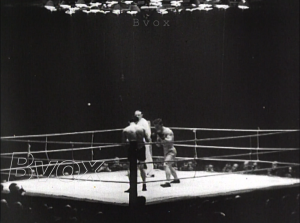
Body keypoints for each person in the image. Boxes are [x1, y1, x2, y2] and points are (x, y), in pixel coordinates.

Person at [122, 116, 150, 192]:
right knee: (142, 166)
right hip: (141, 147)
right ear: (137, 122)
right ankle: (144, 185)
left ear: (129, 122)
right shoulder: (142, 128)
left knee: (130, 168)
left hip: (132, 148)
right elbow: (147, 139)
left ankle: (132, 186)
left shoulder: (125, 130)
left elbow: (124, 143)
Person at [152, 118, 180, 187]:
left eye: (157, 126)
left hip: (171, 151)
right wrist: (155, 140)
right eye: (155, 127)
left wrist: (162, 138)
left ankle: (167, 182)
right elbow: (158, 145)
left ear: (161, 125)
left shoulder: (168, 131)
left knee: (166, 164)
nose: (156, 128)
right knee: (169, 166)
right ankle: (176, 179)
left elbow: (170, 141)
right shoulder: (159, 133)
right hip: (165, 151)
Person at [134, 110, 155, 177]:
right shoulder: (136, 122)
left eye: (138, 115)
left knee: (147, 156)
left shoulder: (144, 122)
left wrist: (147, 140)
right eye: (136, 115)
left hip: (144, 141)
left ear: (142, 115)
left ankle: (151, 171)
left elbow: (147, 132)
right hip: (137, 141)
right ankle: (136, 171)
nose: (137, 116)